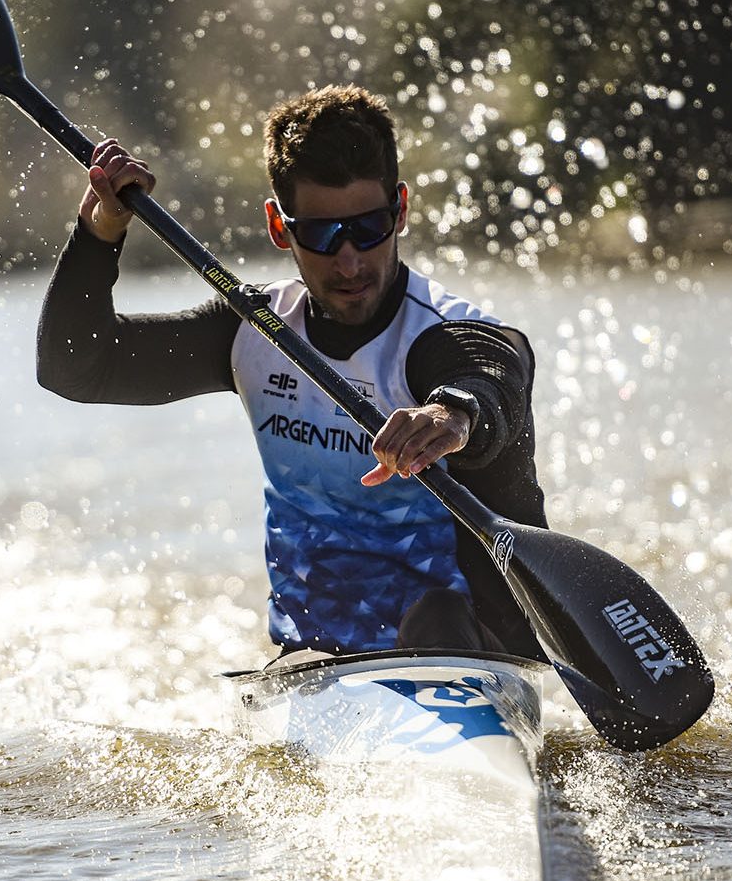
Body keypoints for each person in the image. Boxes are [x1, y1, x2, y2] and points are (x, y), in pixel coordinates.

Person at [36, 85, 547, 661]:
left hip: (466, 652)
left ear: (400, 210)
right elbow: (76, 368)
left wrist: (452, 412)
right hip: (313, 667)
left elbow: (494, 366)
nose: (350, 259)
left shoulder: (442, 334)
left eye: (370, 226)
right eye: (322, 234)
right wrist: (100, 231)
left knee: (438, 616)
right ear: (281, 229)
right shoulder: (253, 331)